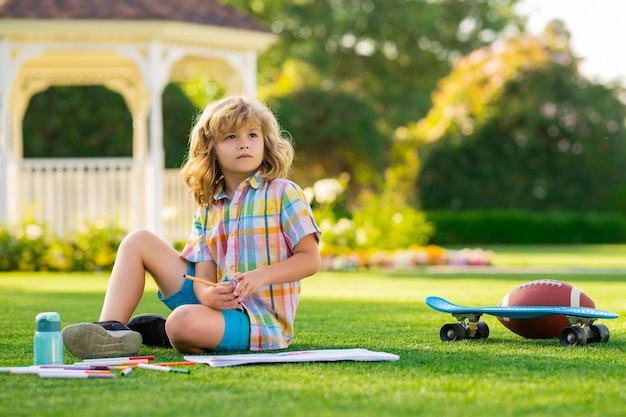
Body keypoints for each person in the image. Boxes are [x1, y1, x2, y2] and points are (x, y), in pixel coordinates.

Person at [62, 95, 321, 358]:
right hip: (213, 305)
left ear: (265, 143)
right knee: (137, 241)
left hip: (257, 321)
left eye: (253, 135)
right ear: (212, 149)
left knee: (181, 322)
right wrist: (208, 295)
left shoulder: (284, 193)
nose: (244, 143)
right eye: (231, 137)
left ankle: (169, 332)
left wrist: (260, 276)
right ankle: (110, 331)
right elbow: (203, 273)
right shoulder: (209, 207)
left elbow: (310, 260)